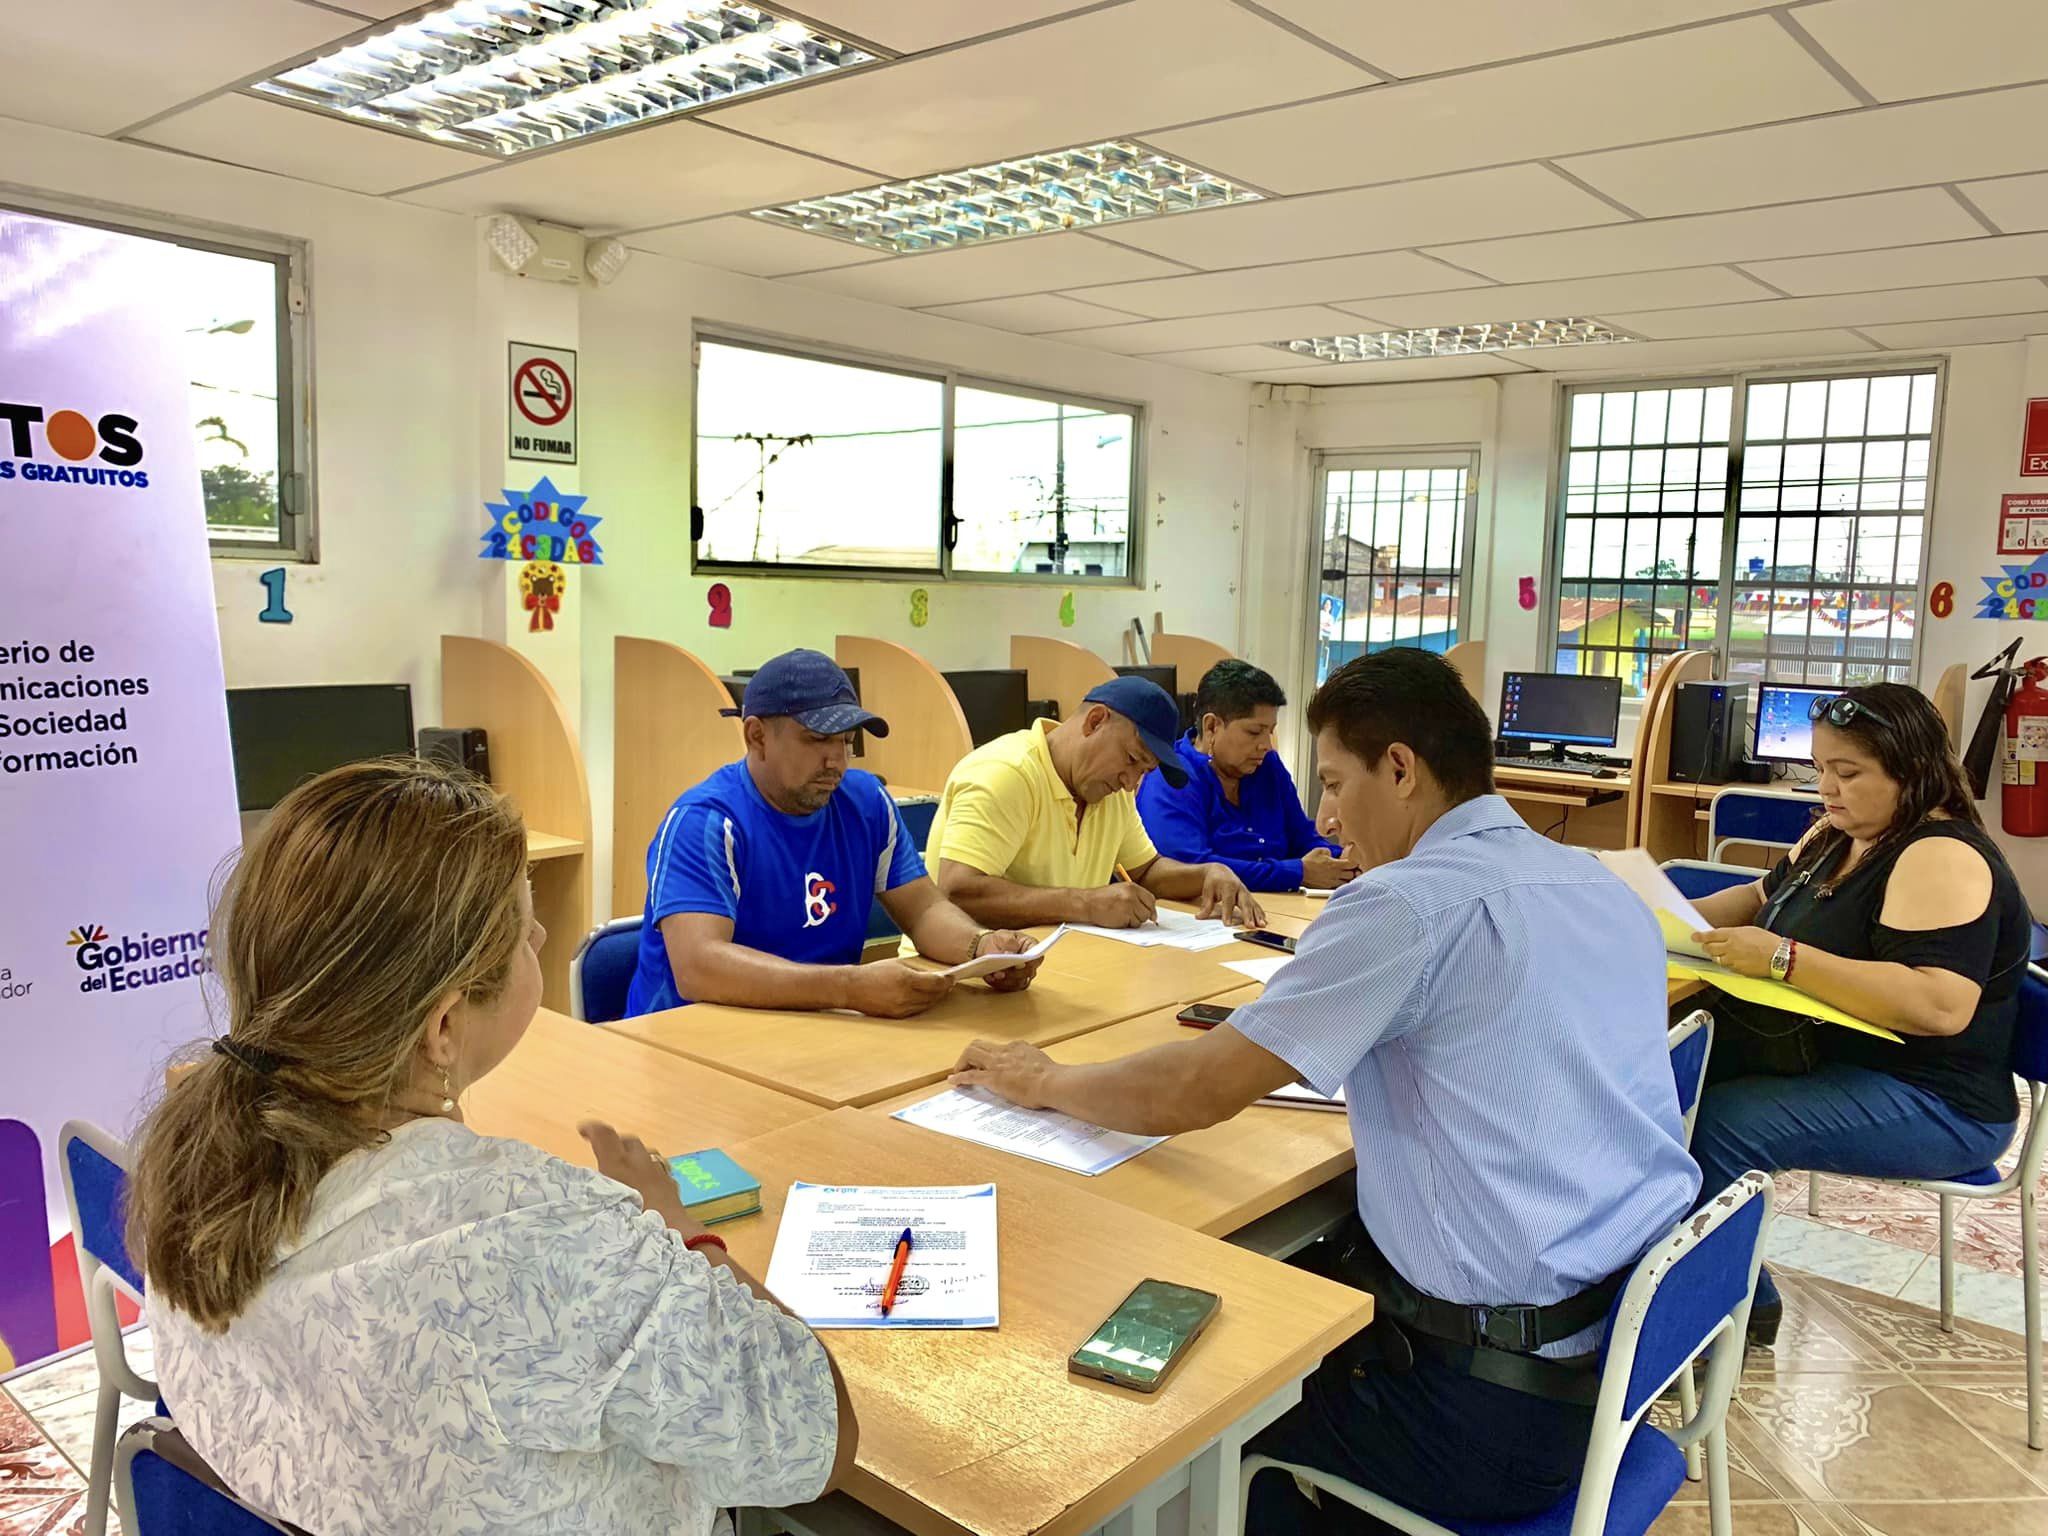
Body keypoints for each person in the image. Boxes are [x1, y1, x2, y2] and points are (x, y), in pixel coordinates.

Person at [949, 648, 1699, 1534]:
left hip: (1480, 1414)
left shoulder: (1406, 906)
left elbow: (1197, 1089)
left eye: (1337, 783)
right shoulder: (1597, 880)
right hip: (1607, 1365)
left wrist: (1044, 1079)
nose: (1329, 818)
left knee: (1167, 1411)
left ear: (1401, 769)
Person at [130, 759, 858, 1536]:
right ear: (443, 1028)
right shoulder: (548, 1239)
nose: (541, 935)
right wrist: (677, 1228)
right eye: (522, 927)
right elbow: (817, 1441)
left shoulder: (199, 1159)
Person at [1688, 683, 2027, 1344]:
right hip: (1843, 1062)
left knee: (1723, 1124)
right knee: (1679, 1082)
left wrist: (1784, 958)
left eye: (1847, 773)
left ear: (1911, 773)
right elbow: (1757, 898)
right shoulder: (1837, 834)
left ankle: (1731, 1309)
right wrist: (1653, 918)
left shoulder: (1939, 855)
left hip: (1937, 1100)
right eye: (1820, 769)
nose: (1827, 789)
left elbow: (1938, 1005)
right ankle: (1681, 1279)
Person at [625, 649, 1042, 1019]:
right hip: (690, 1039)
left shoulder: (867, 802)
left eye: (846, 741)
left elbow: (924, 910)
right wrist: (849, 988)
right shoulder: (705, 822)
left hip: (818, 1024)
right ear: (757, 736)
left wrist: (981, 946)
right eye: (817, 739)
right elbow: (699, 967)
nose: (836, 761)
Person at [926, 674, 1266, 931]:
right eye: (1132, 759)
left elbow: (1147, 871)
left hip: (1060, 965)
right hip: (961, 972)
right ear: (1095, 721)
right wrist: (1086, 904)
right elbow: (957, 891)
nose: (1130, 783)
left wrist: (1208, 874)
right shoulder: (1006, 773)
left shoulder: (1108, 790)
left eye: (1143, 771)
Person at [1136, 658, 1356, 893]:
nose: (1266, 745)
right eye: (1254, 732)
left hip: (1280, 904)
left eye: (1270, 731)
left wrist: (1343, 861)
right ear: (1212, 727)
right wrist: (1296, 873)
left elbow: (1302, 837)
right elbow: (1191, 868)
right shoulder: (1172, 777)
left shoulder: (1268, 766)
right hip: (1205, 910)